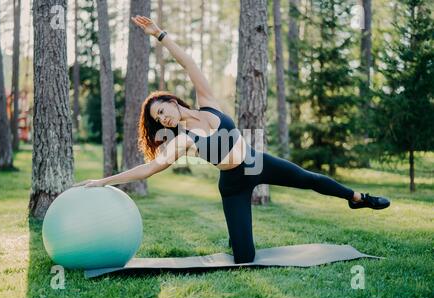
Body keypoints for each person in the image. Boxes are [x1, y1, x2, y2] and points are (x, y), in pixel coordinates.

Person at [74, 15, 390, 264]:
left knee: (309, 178)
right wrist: (104, 182)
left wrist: (160, 35)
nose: (164, 118)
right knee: (244, 258)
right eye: (158, 119)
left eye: (162, 110)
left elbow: (189, 63)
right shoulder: (181, 141)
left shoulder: (207, 101)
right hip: (233, 183)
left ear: (173, 101)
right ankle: (238, 236)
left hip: (255, 163)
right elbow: (146, 169)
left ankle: (358, 198)